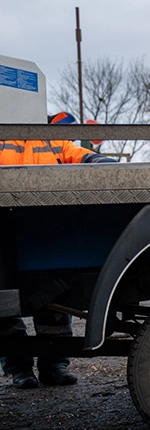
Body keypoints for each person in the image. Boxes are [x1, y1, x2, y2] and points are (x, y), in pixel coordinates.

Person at [0, 113, 115, 388]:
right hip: (5, 225)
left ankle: (54, 366)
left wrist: (112, 167)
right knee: (4, 306)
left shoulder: (55, 140)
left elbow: (83, 156)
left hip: (43, 229)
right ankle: (19, 369)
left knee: (51, 296)